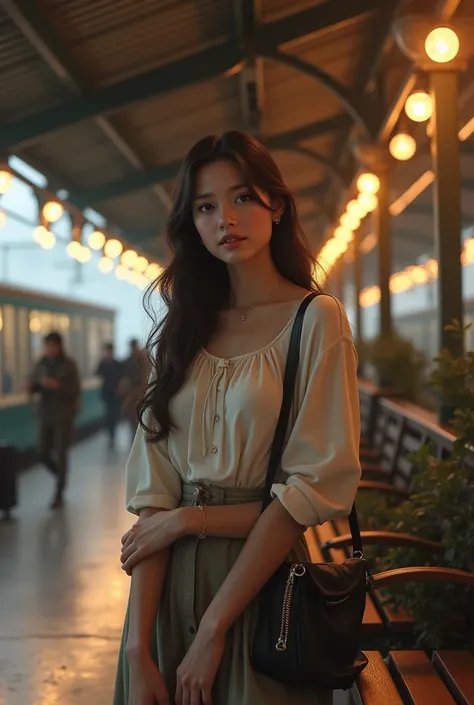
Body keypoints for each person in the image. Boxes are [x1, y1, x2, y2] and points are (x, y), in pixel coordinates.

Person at [114, 131, 361, 705]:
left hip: (260, 592)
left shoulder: (316, 320)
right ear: (192, 224)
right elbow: (155, 491)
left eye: (243, 197)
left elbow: (309, 490)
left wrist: (213, 627)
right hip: (163, 593)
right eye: (205, 206)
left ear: (276, 205)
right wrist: (137, 648)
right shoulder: (183, 328)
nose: (225, 217)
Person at [28, 331, 81, 509]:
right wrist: (32, 386)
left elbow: (75, 389)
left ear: (58, 347)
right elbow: (35, 383)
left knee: (60, 451)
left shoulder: (68, 365)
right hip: (45, 414)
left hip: (63, 416)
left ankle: (59, 491)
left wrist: (57, 385)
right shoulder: (41, 364)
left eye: (51, 346)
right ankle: (61, 475)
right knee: (42, 452)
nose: (49, 350)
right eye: (46, 346)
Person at [120, 339, 150, 442]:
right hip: (136, 392)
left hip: (139, 392)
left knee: (136, 417)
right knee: (134, 417)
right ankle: (136, 437)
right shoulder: (135, 359)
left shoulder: (142, 358)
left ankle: (137, 437)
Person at [96, 343, 123, 450]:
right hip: (106, 393)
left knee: (114, 413)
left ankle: (112, 431)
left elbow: (122, 376)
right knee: (108, 413)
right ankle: (110, 432)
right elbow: (97, 373)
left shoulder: (117, 364)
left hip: (116, 393)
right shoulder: (103, 363)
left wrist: (120, 388)